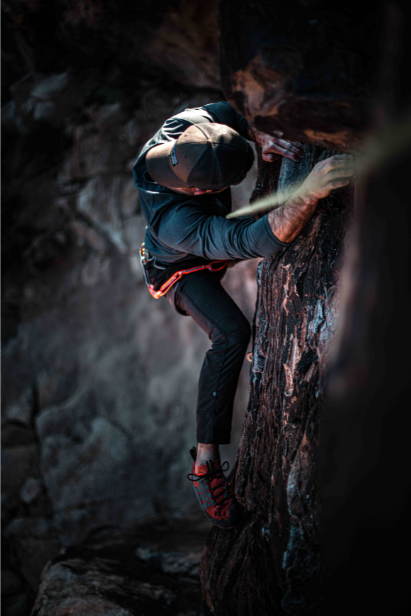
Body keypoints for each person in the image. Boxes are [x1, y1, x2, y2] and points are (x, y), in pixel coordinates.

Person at [133, 101, 353, 528]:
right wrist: (309, 192)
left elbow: (229, 111)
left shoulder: (181, 128)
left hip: (210, 231)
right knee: (231, 333)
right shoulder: (175, 222)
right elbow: (255, 240)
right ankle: (206, 464)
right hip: (180, 268)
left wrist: (258, 133)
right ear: (200, 192)